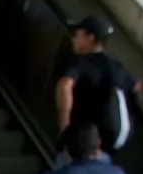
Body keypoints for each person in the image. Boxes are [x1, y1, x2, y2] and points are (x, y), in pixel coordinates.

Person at [54, 15, 135, 149]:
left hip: (83, 139)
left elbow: (64, 86)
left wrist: (64, 129)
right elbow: (135, 86)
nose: (73, 39)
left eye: (77, 34)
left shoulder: (81, 61)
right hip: (113, 142)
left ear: (90, 38)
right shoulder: (115, 66)